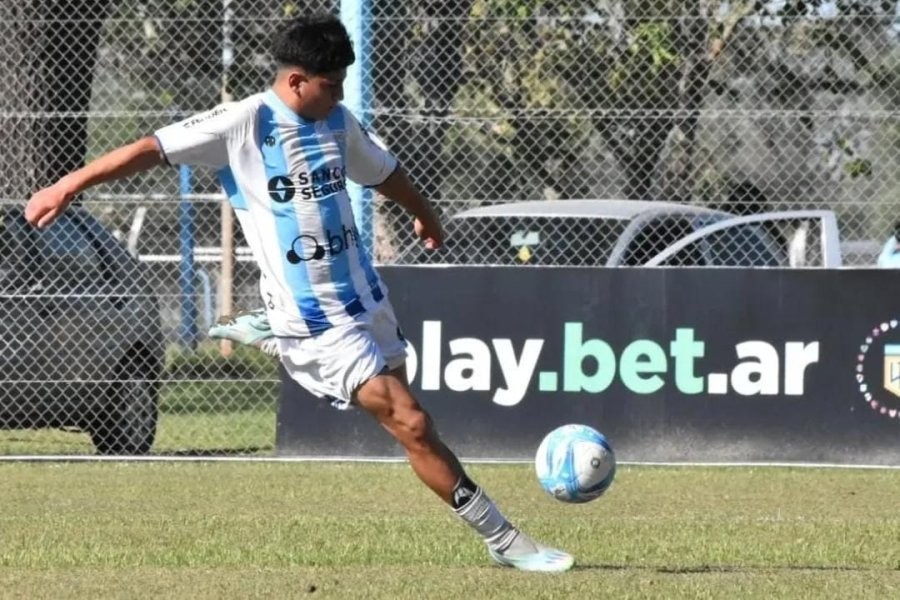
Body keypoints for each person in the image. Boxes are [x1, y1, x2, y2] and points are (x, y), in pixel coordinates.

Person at [25, 14, 573, 572]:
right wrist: (68, 185)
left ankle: (271, 331)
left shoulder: (338, 122)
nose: (338, 95)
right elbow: (150, 148)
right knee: (410, 422)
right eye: (329, 84)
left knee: (416, 426)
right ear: (295, 81)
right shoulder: (244, 123)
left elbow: (384, 172)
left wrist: (426, 214)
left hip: (365, 296)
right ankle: (503, 538)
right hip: (316, 320)